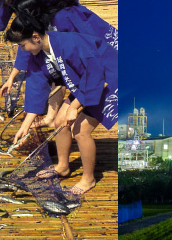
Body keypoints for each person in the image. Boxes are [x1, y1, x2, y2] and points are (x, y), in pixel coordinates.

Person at [6, 21, 117, 195]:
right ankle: (63, 167)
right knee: (59, 121)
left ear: (35, 37)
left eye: (22, 45)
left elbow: (96, 75)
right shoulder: (40, 52)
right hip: (85, 83)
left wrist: (74, 106)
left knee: (80, 130)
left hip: (109, 79)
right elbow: (36, 86)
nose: (23, 50)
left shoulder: (69, 43)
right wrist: (25, 126)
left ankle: (88, 179)